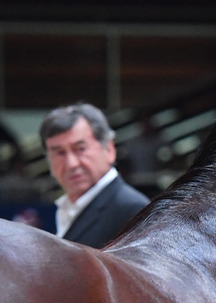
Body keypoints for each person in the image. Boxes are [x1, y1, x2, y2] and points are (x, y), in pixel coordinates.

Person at [40, 102, 148, 249]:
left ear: (109, 150)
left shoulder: (132, 209)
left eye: (80, 149)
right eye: (59, 153)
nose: (71, 164)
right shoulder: (65, 208)